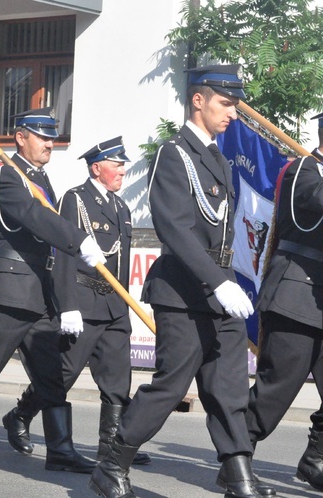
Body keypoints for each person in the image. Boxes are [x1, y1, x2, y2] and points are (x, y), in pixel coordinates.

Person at [89, 65, 275, 498]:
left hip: (220, 289)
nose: (233, 113)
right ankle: (111, 464)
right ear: (199, 99)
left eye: (235, 105)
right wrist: (217, 280)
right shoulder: (174, 154)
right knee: (171, 385)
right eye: (226, 103)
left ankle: (236, 471)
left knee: (228, 386)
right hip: (184, 291)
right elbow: (173, 226)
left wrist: (228, 282)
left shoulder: (218, 159)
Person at [0, 107, 107, 473]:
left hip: (39, 293)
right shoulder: (8, 176)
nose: (50, 143)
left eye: (53, 137)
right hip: (10, 289)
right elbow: (32, 216)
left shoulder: (38, 179)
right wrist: (77, 239)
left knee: (51, 375)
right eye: (43, 136)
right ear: (21, 137)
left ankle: (60, 449)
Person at [1, 137, 149, 466]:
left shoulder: (121, 207)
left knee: (117, 378)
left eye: (124, 165)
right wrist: (67, 305)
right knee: (62, 375)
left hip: (114, 307)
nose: (123, 170)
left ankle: (111, 444)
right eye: (117, 165)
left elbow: (120, 263)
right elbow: (65, 254)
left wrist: (124, 308)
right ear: (98, 168)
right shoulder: (76, 200)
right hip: (83, 302)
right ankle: (19, 415)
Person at [244, 111, 323, 493]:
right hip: (295, 297)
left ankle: (315, 460)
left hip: (321, 302)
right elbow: (317, 200)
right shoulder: (303, 172)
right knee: (274, 392)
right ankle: (236, 458)